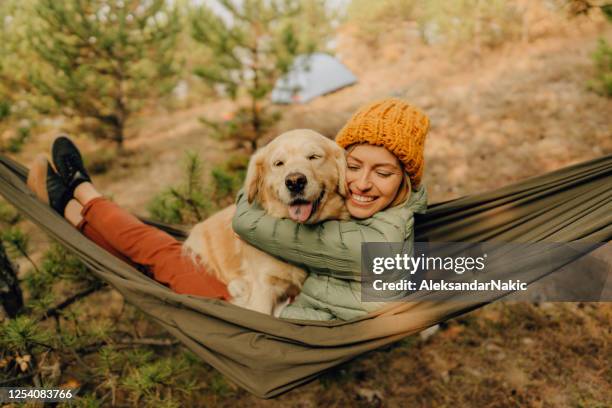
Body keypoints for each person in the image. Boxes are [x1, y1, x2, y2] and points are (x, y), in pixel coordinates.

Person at [232, 98, 430, 320]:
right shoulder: (359, 208)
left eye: (383, 173)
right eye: (353, 167)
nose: (362, 184)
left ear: (406, 182)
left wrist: (244, 216)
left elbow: (252, 226)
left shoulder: (383, 241)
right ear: (342, 166)